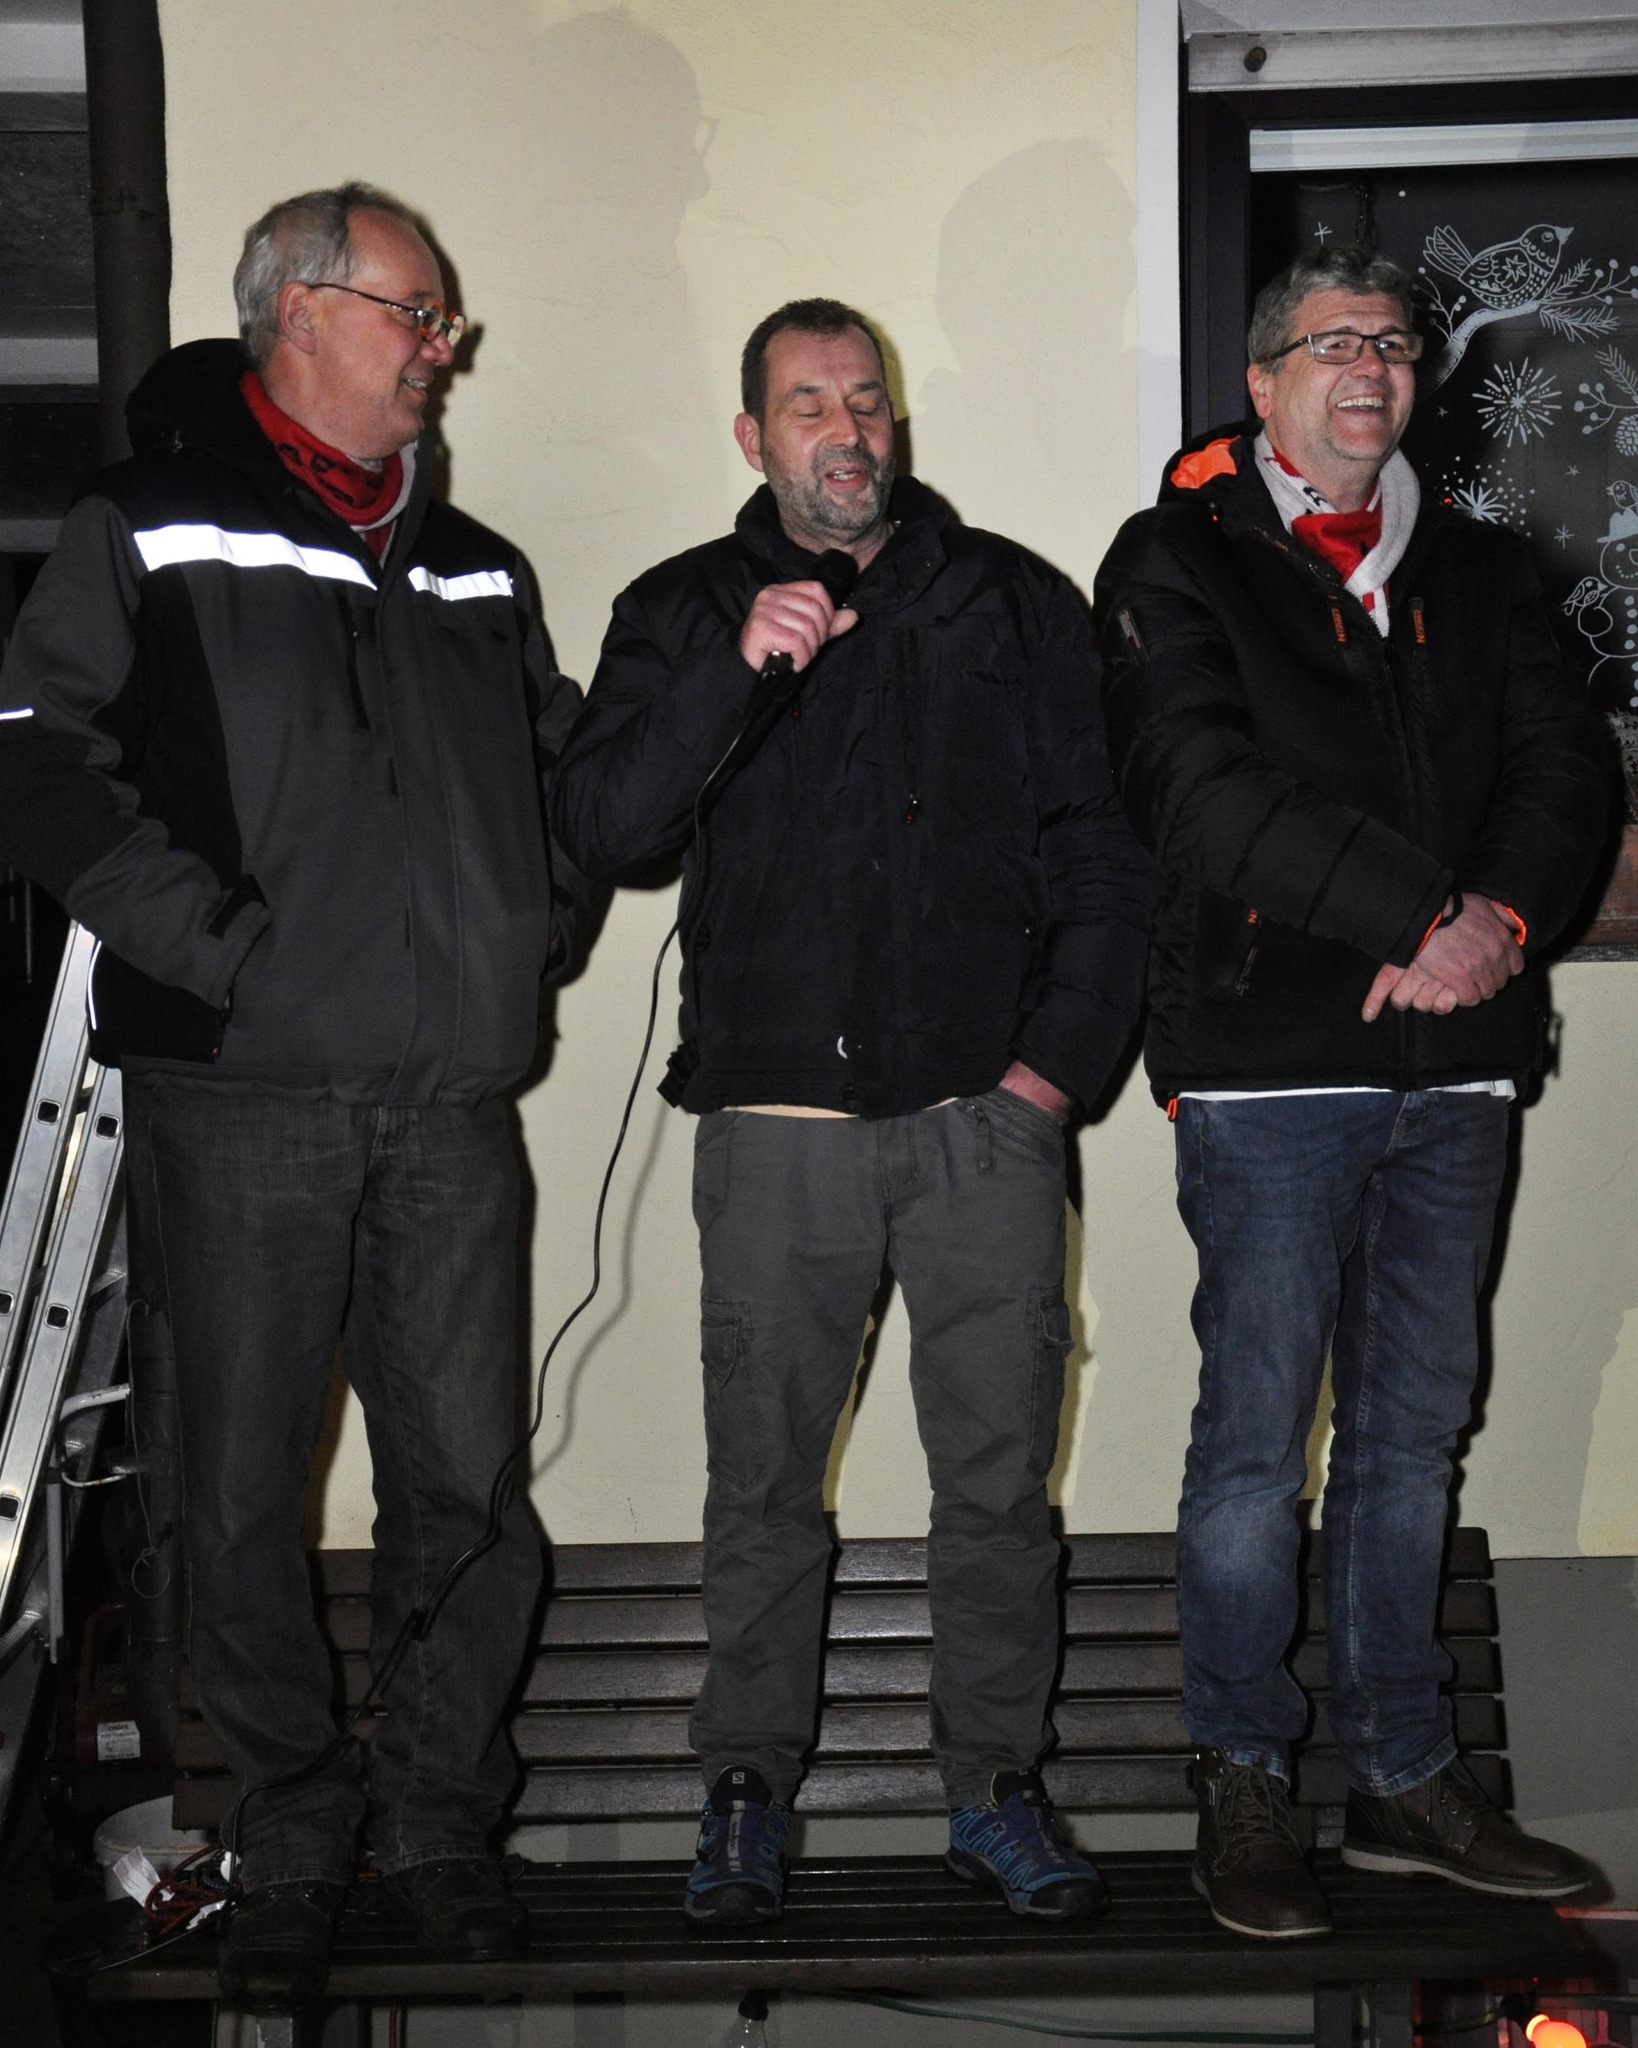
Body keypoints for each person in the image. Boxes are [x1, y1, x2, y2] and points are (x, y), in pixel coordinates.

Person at [0, 184, 586, 2006]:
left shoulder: (478, 566)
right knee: (240, 1488)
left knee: (466, 1489)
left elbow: (556, 789)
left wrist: (523, 934)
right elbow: (32, 750)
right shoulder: (147, 524)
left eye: (443, 318)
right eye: (419, 312)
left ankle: (439, 1825)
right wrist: (223, 951)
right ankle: (292, 1827)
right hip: (243, 1093)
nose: (442, 348)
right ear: (301, 312)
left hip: (452, 1105)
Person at [551, 298, 1152, 1926]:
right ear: (753, 436)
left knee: (997, 1494)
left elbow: (1103, 853)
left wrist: (1050, 1079)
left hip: (982, 1127)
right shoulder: (680, 608)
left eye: (867, 399)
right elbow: (605, 829)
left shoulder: (1012, 602)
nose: (847, 429)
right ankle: (745, 1791)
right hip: (774, 1136)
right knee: (760, 1494)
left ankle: (993, 1792)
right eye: (809, 403)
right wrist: (728, 671)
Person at [1093, 246, 1608, 1939]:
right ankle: (1243, 1778)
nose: (1367, 369)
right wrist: (1413, 914)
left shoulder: (1480, 567)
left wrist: (1494, 927)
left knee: (1409, 1445)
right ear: (1262, 383)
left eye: (1389, 342)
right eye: (1329, 346)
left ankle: (1401, 1779)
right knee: (1255, 1453)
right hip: (1267, 1078)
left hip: (1455, 1073)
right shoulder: (1174, 559)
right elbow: (1192, 789)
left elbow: (1563, 770)